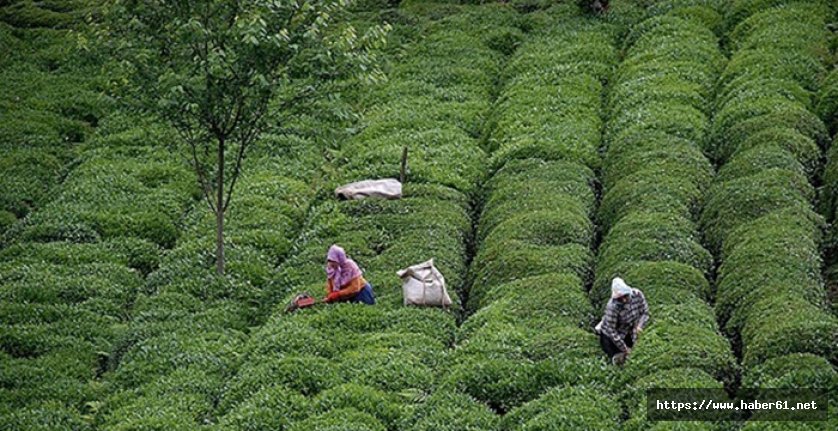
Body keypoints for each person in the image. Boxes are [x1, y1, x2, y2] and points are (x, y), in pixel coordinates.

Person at [595, 277, 649, 365]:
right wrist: (625, 349)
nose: (623, 300)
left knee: (634, 352)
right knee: (618, 357)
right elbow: (612, 331)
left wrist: (639, 326)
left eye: (625, 296)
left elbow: (645, 313)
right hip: (610, 336)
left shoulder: (637, 295)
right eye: (620, 299)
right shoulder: (612, 307)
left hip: (627, 330)